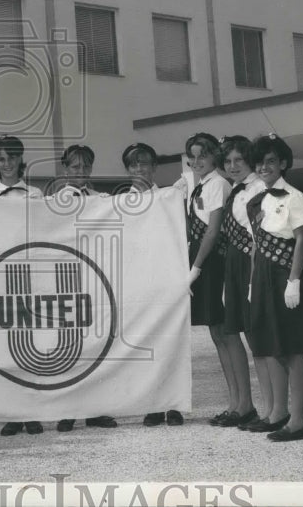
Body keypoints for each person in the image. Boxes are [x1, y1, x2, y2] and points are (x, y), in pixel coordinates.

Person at [247, 134, 303, 441]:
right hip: (264, 281)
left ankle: (297, 421)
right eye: (259, 162)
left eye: (271, 161)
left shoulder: (294, 196)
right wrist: (251, 285)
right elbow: (258, 246)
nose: (264, 167)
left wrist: (294, 281)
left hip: (287, 277)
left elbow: (301, 240)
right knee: (279, 350)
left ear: (283, 163)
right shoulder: (257, 201)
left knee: (294, 350)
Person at [0, 136, 45, 437]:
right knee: (5, 345)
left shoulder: (34, 194)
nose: (6, 164)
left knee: (29, 342)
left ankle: (31, 411)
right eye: (0, 159)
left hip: (30, 273)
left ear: (21, 159)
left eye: (11, 158)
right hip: (1, 276)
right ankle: (12, 412)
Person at [116, 142, 181, 429]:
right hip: (138, 280)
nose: (140, 168)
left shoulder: (170, 198)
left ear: (155, 167)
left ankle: (174, 404)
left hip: (167, 278)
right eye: (134, 164)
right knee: (145, 344)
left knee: (173, 343)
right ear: (128, 169)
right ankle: (153, 405)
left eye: (145, 163)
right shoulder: (116, 203)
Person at [54, 144, 118, 433]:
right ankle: (68, 409)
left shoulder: (101, 199)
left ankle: (96, 409)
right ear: (65, 169)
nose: (80, 172)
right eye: (75, 167)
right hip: (67, 277)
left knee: (97, 343)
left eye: (85, 167)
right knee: (70, 344)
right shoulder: (55, 201)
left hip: (96, 277)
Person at [210, 135, 264, 429]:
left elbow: (258, 238)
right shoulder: (235, 190)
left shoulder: (257, 189)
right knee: (246, 333)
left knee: (260, 338)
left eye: (238, 161)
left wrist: (254, 280)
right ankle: (246, 406)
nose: (232, 166)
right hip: (234, 265)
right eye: (228, 161)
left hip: (251, 266)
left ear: (249, 161)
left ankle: (273, 409)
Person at [183, 132, 233, 426]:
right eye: (193, 155)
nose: (197, 160)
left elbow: (213, 231)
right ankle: (234, 401)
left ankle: (241, 403)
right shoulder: (200, 185)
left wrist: (196, 267)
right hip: (204, 261)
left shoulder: (217, 184)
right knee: (216, 334)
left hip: (214, 262)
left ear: (214, 156)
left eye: (203, 154)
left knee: (225, 334)